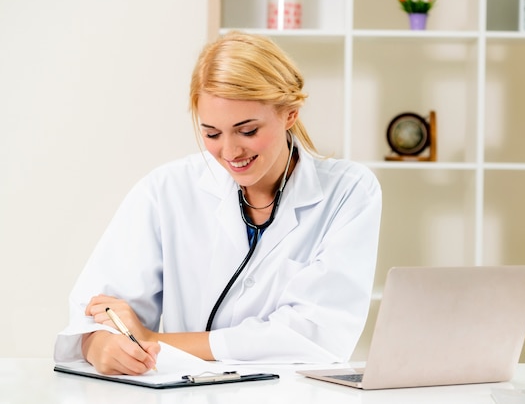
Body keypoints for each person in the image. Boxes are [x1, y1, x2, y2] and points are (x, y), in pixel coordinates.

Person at [53, 31, 382, 375]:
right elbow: (99, 309)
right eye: (211, 133)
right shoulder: (166, 190)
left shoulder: (349, 191)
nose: (230, 152)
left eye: (248, 131)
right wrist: (99, 344)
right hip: (185, 392)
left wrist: (154, 338)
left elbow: (316, 335)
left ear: (290, 114)